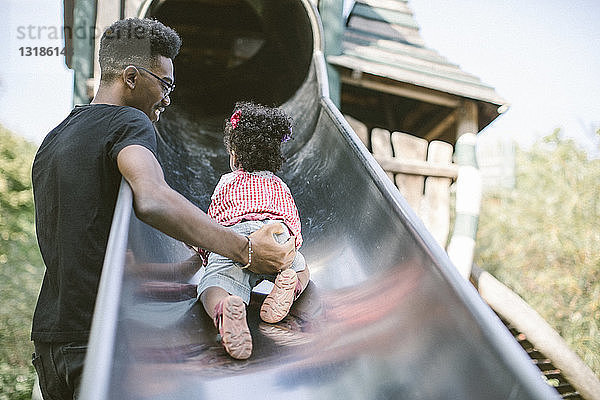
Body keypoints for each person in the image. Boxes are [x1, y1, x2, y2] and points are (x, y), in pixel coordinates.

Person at [30, 18, 295, 399]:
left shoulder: (55, 139)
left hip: (53, 343)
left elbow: (103, 261)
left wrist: (185, 269)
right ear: (133, 77)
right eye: (165, 84)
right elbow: (153, 198)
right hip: (102, 340)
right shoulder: (129, 121)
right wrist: (246, 250)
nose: (168, 98)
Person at [197, 101, 310, 360]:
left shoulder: (227, 182)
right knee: (302, 269)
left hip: (237, 240)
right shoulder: (279, 184)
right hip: (276, 238)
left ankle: (223, 307)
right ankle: (288, 287)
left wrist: (206, 255)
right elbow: (292, 220)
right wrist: (293, 248)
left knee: (213, 284)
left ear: (235, 155)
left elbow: (213, 221)